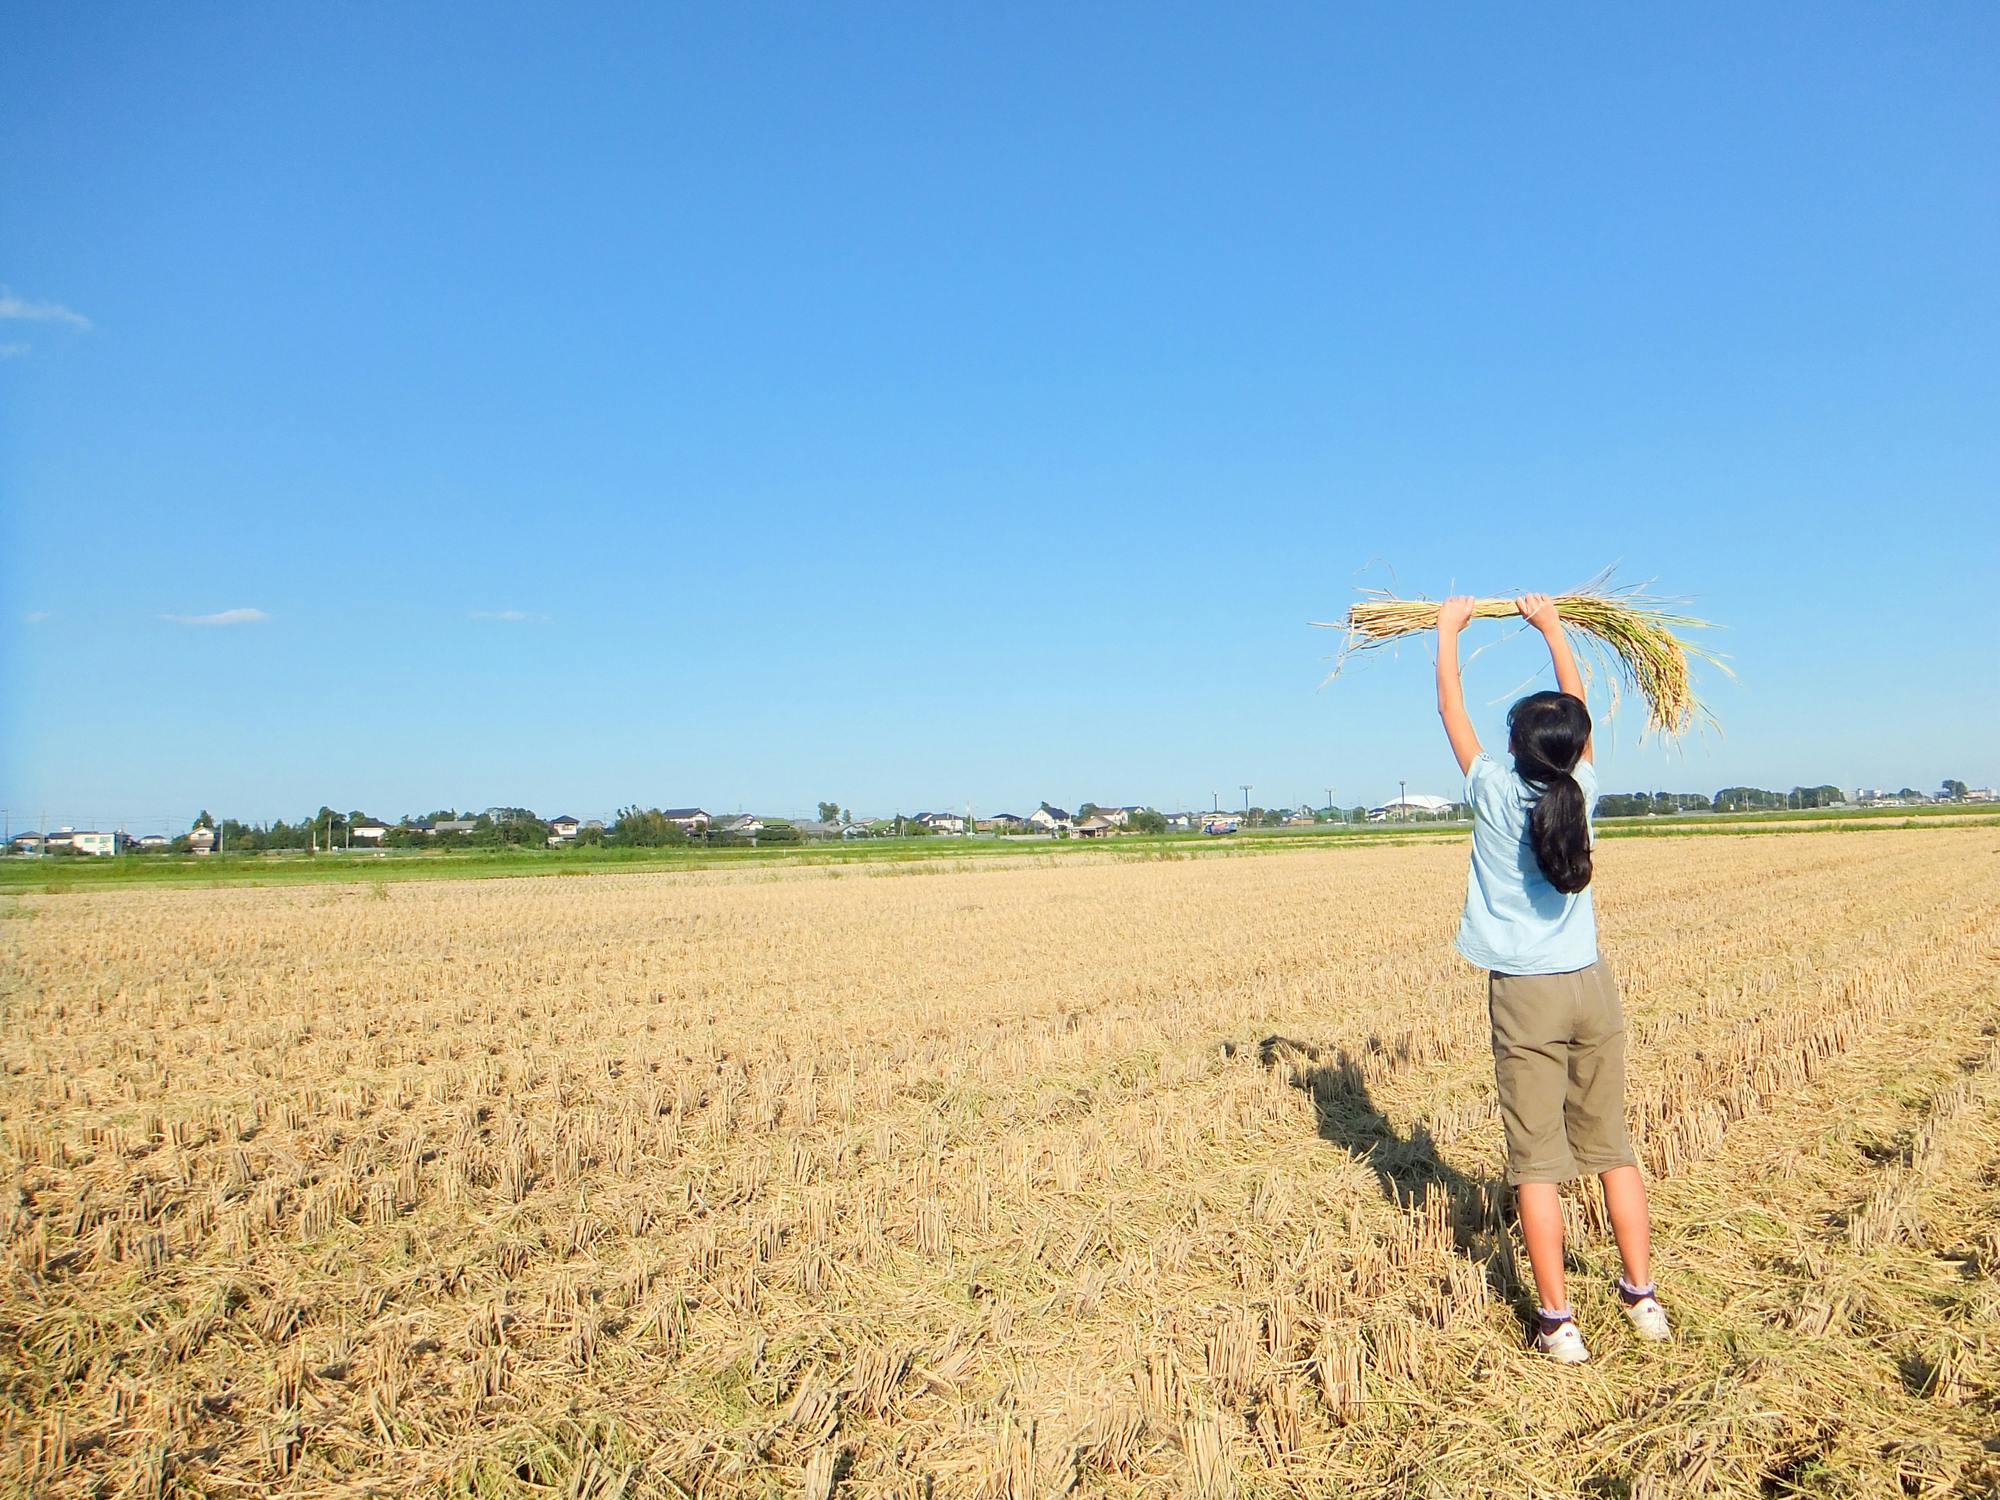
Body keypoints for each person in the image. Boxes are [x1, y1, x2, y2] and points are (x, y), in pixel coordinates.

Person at [1434, 592, 1670, 1363]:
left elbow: (1450, 709)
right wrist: (1553, 629)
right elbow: (1581, 715)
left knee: (1537, 1163)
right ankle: (1642, 1300)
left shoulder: (1496, 795)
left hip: (1526, 994)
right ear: (1572, 749)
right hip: (1589, 986)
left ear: (1515, 748)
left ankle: (1558, 1321)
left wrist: (1447, 632)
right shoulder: (1582, 792)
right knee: (1612, 1149)